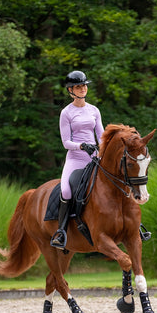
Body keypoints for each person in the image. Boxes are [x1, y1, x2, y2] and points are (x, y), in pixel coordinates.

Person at [51, 70, 104, 249]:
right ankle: (61, 232)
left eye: (84, 85)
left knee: (116, 179)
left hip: (94, 157)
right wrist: (81, 146)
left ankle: (135, 227)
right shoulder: (66, 113)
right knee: (66, 191)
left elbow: (101, 135)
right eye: (78, 86)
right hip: (75, 158)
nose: (83, 89)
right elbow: (66, 142)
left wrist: (103, 148)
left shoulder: (94, 110)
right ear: (70, 90)